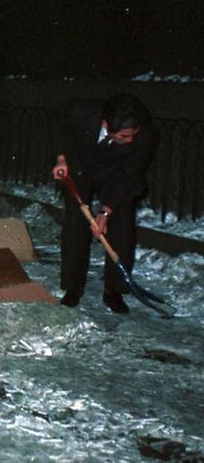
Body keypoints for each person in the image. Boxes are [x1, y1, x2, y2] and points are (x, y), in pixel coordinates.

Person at [52, 94, 158, 313]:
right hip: (81, 163)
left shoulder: (144, 136)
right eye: (124, 135)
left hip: (116, 172)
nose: (130, 140)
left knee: (122, 224)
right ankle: (73, 288)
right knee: (76, 222)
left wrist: (106, 211)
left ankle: (114, 291)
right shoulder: (80, 111)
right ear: (105, 124)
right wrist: (61, 159)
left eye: (132, 135)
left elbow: (129, 175)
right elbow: (60, 127)